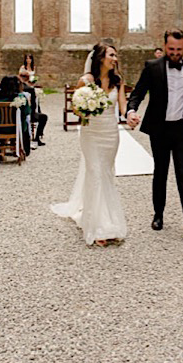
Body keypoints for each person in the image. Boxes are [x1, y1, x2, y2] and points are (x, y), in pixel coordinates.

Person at [126, 29, 183, 243]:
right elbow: (138, 92)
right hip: (160, 129)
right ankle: (158, 215)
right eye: (171, 49)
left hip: (182, 129)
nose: (175, 53)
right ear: (164, 47)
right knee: (160, 172)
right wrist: (131, 110)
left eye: (179, 50)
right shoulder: (152, 67)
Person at [52, 43, 129, 247]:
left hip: (111, 134)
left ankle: (108, 221)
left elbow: (122, 105)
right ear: (101, 58)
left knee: (106, 174)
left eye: (116, 55)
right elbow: (75, 110)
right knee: (95, 173)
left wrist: (130, 115)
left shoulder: (118, 81)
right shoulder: (85, 81)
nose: (115, 58)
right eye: (112, 55)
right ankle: (97, 227)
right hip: (91, 134)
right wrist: (86, 108)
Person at [19, 67, 48, 146]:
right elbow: (33, 105)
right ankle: (37, 137)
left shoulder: (12, 87)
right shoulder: (29, 89)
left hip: (12, 116)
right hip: (27, 114)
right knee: (43, 117)